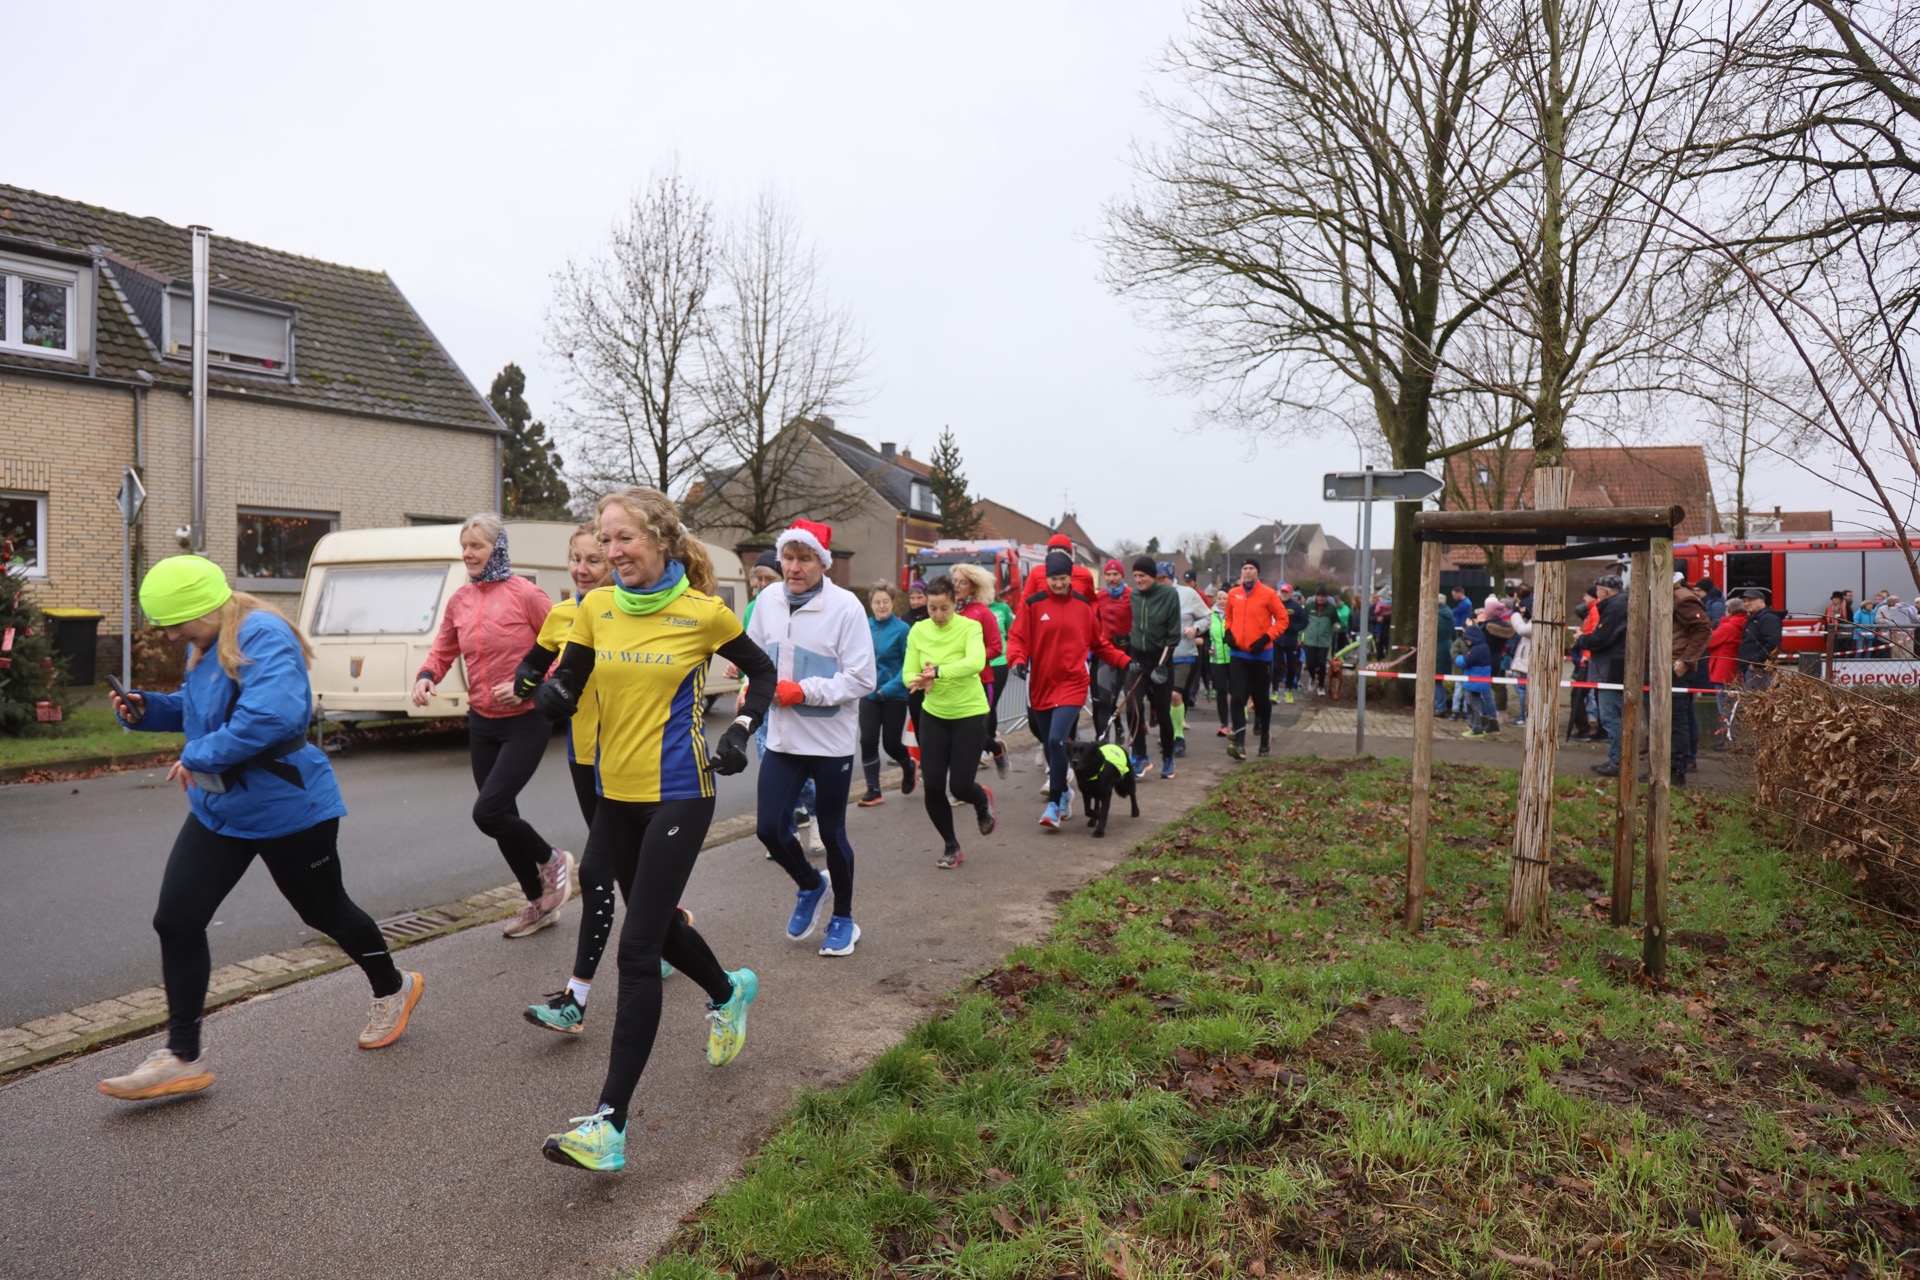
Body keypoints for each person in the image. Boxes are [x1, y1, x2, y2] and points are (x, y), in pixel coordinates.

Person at [98, 556, 422, 1101]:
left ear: (203, 607)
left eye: (175, 624)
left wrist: (198, 755)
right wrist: (146, 710)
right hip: (221, 810)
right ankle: (182, 1056)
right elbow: (203, 709)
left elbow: (272, 717)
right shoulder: (205, 643)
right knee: (176, 919)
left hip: (288, 807)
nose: (172, 636)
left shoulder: (263, 635)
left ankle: (394, 987)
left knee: (324, 910)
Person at [518, 487, 774, 1172]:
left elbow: (761, 671)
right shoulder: (596, 608)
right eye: (605, 540)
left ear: (661, 539)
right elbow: (568, 681)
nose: (611, 552)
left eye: (623, 538)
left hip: (681, 794)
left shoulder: (703, 612)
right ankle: (728, 990)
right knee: (655, 929)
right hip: (616, 795)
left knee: (636, 951)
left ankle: (610, 1126)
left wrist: (742, 730)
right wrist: (549, 696)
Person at [411, 515, 573, 937]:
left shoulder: (526, 595)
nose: (468, 554)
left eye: (476, 546)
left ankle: (552, 859)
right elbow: (443, 648)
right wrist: (426, 675)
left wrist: (527, 684)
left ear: (497, 548)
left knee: (489, 812)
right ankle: (538, 903)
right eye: (464, 546)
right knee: (503, 818)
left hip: (526, 720)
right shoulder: (460, 600)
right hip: (482, 721)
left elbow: (564, 651)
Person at [748, 519, 877, 957]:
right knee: (769, 828)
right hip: (783, 738)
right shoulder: (767, 601)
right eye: (788, 557)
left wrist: (804, 691)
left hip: (828, 743)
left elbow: (862, 678)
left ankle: (843, 918)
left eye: (804, 558)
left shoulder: (846, 608)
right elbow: (756, 656)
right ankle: (809, 884)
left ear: (822, 563)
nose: (794, 567)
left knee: (833, 832)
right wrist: (750, 682)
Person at [1008, 549, 1128, 829]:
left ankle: (1054, 803)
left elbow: (1098, 644)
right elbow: (1017, 637)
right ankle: (1064, 793)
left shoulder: (1083, 606)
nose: (1059, 583)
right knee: (1050, 744)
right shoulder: (1034, 604)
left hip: (1073, 683)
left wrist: (1125, 661)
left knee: (1056, 740)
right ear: (1046, 578)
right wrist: (1017, 660)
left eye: (1063, 578)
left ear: (1070, 577)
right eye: (1054, 579)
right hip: (1041, 683)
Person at [518, 523, 613, 829]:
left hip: (631, 754)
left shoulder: (634, 615)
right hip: (583, 752)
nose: (581, 570)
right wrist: (528, 681)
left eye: (593, 560)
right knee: (601, 842)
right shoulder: (561, 613)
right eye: (575, 559)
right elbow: (532, 663)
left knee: (628, 849)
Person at [904, 576, 997, 868]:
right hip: (934, 715)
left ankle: (981, 800)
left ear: (955, 603)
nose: (938, 615)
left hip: (969, 713)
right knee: (932, 786)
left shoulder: (970, 627)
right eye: (932, 608)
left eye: (944, 608)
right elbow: (907, 672)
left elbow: (976, 662)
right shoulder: (918, 630)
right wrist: (919, 680)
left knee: (959, 787)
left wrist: (938, 672)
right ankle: (951, 845)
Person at [734, 550, 817, 854]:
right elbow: (752, 654)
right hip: (764, 702)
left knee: (802, 775)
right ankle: (786, 832)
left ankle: (817, 818)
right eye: (757, 579)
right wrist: (743, 682)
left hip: (796, 700)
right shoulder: (754, 608)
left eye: (767, 578)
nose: (761, 585)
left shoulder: (802, 607)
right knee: (772, 769)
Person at [1222, 556, 1286, 760]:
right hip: (1238, 654)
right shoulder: (1233, 594)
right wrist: (1228, 633)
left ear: (1258, 572)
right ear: (1241, 573)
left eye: (1251, 568)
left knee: (1261, 699)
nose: (1248, 571)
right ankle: (1239, 742)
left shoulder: (1269, 594)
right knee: (1238, 697)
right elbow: (1229, 617)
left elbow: (1283, 620)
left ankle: (1265, 736)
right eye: (1245, 568)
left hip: (1261, 655)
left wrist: (1267, 638)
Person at [950, 562, 1010, 779]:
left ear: (973, 587)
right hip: (951, 681)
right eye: (954, 581)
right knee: (953, 733)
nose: (956, 586)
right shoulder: (946, 610)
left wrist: (971, 659)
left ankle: (995, 749)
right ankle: (960, 781)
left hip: (979, 681)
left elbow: (996, 647)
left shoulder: (983, 612)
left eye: (962, 582)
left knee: (973, 734)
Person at [858, 583, 915, 807]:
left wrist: (886, 689)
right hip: (869, 693)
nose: (881, 606)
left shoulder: (902, 630)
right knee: (868, 740)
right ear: (870, 604)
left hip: (894, 694)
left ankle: (908, 765)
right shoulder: (863, 627)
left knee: (891, 744)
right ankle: (873, 789)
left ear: (892, 602)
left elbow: (908, 665)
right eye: (877, 602)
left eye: (885, 602)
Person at [1127, 555, 1183, 779]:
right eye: (1135, 576)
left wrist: (1162, 664)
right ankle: (1140, 755)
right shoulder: (1133, 596)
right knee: (1132, 707)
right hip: (1138, 659)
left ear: (1152, 575)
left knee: (1162, 712)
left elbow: (1174, 634)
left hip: (1161, 658)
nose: (1138, 580)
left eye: (1142, 575)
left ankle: (1168, 757)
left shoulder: (1169, 595)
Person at [1664, 574, 1714, 784]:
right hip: (1665, 665)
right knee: (1671, 718)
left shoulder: (1681, 598)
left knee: (1677, 719)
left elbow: (1703, 629)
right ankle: (1668, 766)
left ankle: (1678, 768)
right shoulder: (1669, 595)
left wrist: (1686, 660)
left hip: (1674, 667)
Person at [1584, 574, 1631, 775]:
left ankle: (1617, 761)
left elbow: (1602, 637)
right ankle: (1616, 758)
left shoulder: (1614, 608)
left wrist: (1582, 640)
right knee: (1613, 715)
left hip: (1609, 668)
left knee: (1611, 716)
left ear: (1603, 590)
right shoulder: (1622, 603)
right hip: (1614, 665)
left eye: (1597, 589)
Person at [1165, 562, 1212, 758]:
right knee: (1163, 699)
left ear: (1171, 577)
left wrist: (1195, 629)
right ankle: (1167, 732)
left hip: (1183, 653)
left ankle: (1178, 735)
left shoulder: (1187, 594)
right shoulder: (1148, 596)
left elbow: (1207, 617)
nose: (1161, 582)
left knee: (1175, 695)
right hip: (1158, 656)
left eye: (1163, 578)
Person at [1091, 558, 1133, 738]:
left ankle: (1125, 729)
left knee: (1123, 698)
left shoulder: (1132, 595)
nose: (1111, 578)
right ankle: (1104, 741)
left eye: (1115, 574)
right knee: (1104, 699)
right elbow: (1093, 622)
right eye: (1108, 574)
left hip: (1127, 651)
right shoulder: (1099, 597)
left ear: (1122, 576)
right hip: (1106, 653)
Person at [1707, 600, 1750, 748]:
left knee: (1725, 708)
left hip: (1723, 671)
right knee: (1733, 708)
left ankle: (1728, 739)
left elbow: (1709, 641)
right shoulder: (1742, 624)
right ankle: (1732, 738)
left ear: (1730, 610)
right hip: (1734, 671)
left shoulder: (1728, 627)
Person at [1734, 587, 1782, 690]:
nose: (1746, 603)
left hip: (1760, 670)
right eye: (1744, 601)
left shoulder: (1769, 619)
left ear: (1761, 601)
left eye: (1750, 600)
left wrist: (1755, 663)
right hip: (1751, 668)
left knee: (1758, 697)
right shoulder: (1754, 618)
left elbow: (1772, 644)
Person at [1300, 588, 1338, 695]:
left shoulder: (1331, 608)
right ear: (1315, 597)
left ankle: (1321, 686)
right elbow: (1303, 621)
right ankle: (1313, 678)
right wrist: (1300, 636)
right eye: (1319, 596)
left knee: (1322, 663)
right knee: (1310, 664)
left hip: (1324, 641)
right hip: (1310, 640)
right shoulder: (1309, 606)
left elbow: (1336, 620)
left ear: (1326, 597)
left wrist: (1336, 625)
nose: (1321, 598)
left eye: (1323, 596)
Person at [1272, 587, 1305, 704]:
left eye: (1286, 592)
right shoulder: (1275, 605)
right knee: (1276, 666)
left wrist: (1294, 629)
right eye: (1283, 592)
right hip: (1277, 641)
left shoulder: (1296, 607)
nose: (1284, 594)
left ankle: (1288, 691)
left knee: (1291, 667)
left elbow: (1304, 622)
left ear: (1291, 593)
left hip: (1291, 642)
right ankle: (1274, 692)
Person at [1208, 590, 1234, 732]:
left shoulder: (1234, 613)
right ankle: (1224, 724)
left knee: (1236, 692)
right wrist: (1208, 647)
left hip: (1234, 658)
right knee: (1221, 692)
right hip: (1217, 659)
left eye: (1225, 598)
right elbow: (1204, 635)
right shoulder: (1209, 615)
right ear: (1216, 600)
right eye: (1219, 598)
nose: (1222, 601)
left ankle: (1237, 723)